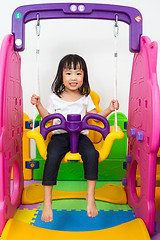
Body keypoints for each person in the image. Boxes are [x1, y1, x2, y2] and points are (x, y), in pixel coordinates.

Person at [31, 54, 119, 222]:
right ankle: (47, 201)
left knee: (92, 154)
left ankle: (90, 196)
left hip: (81, 137)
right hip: (60, 137)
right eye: (69, 73)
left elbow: (96, 117)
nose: (73, 77)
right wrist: (38, 105)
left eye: (78, 73)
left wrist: (109, 109)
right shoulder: (54, 98)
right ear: (61, 76)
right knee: (52, 157)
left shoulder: (86, 98)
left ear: (84, 76)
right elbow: (47, 118)